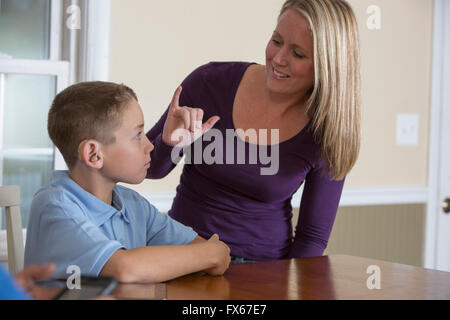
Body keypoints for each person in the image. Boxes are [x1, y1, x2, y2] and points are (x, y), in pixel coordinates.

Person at [146, 0, 361, 263]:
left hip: (260, 271)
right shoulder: (209, 82)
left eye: (298, 54)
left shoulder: (327, 132)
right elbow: (150, 168)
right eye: (277, 41)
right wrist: (169, 143)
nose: (278, 59)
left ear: (328, 66)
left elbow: (312, 237)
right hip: (181, 254)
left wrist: (290, 288)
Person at [24, 81, 230, 282]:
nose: (150, 145)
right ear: (94, 154)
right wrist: (212, 253)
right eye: (138, 135)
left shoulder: (133, 204)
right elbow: (124, 268)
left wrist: (210, 255)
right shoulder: (55, 206)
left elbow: (203, 252)